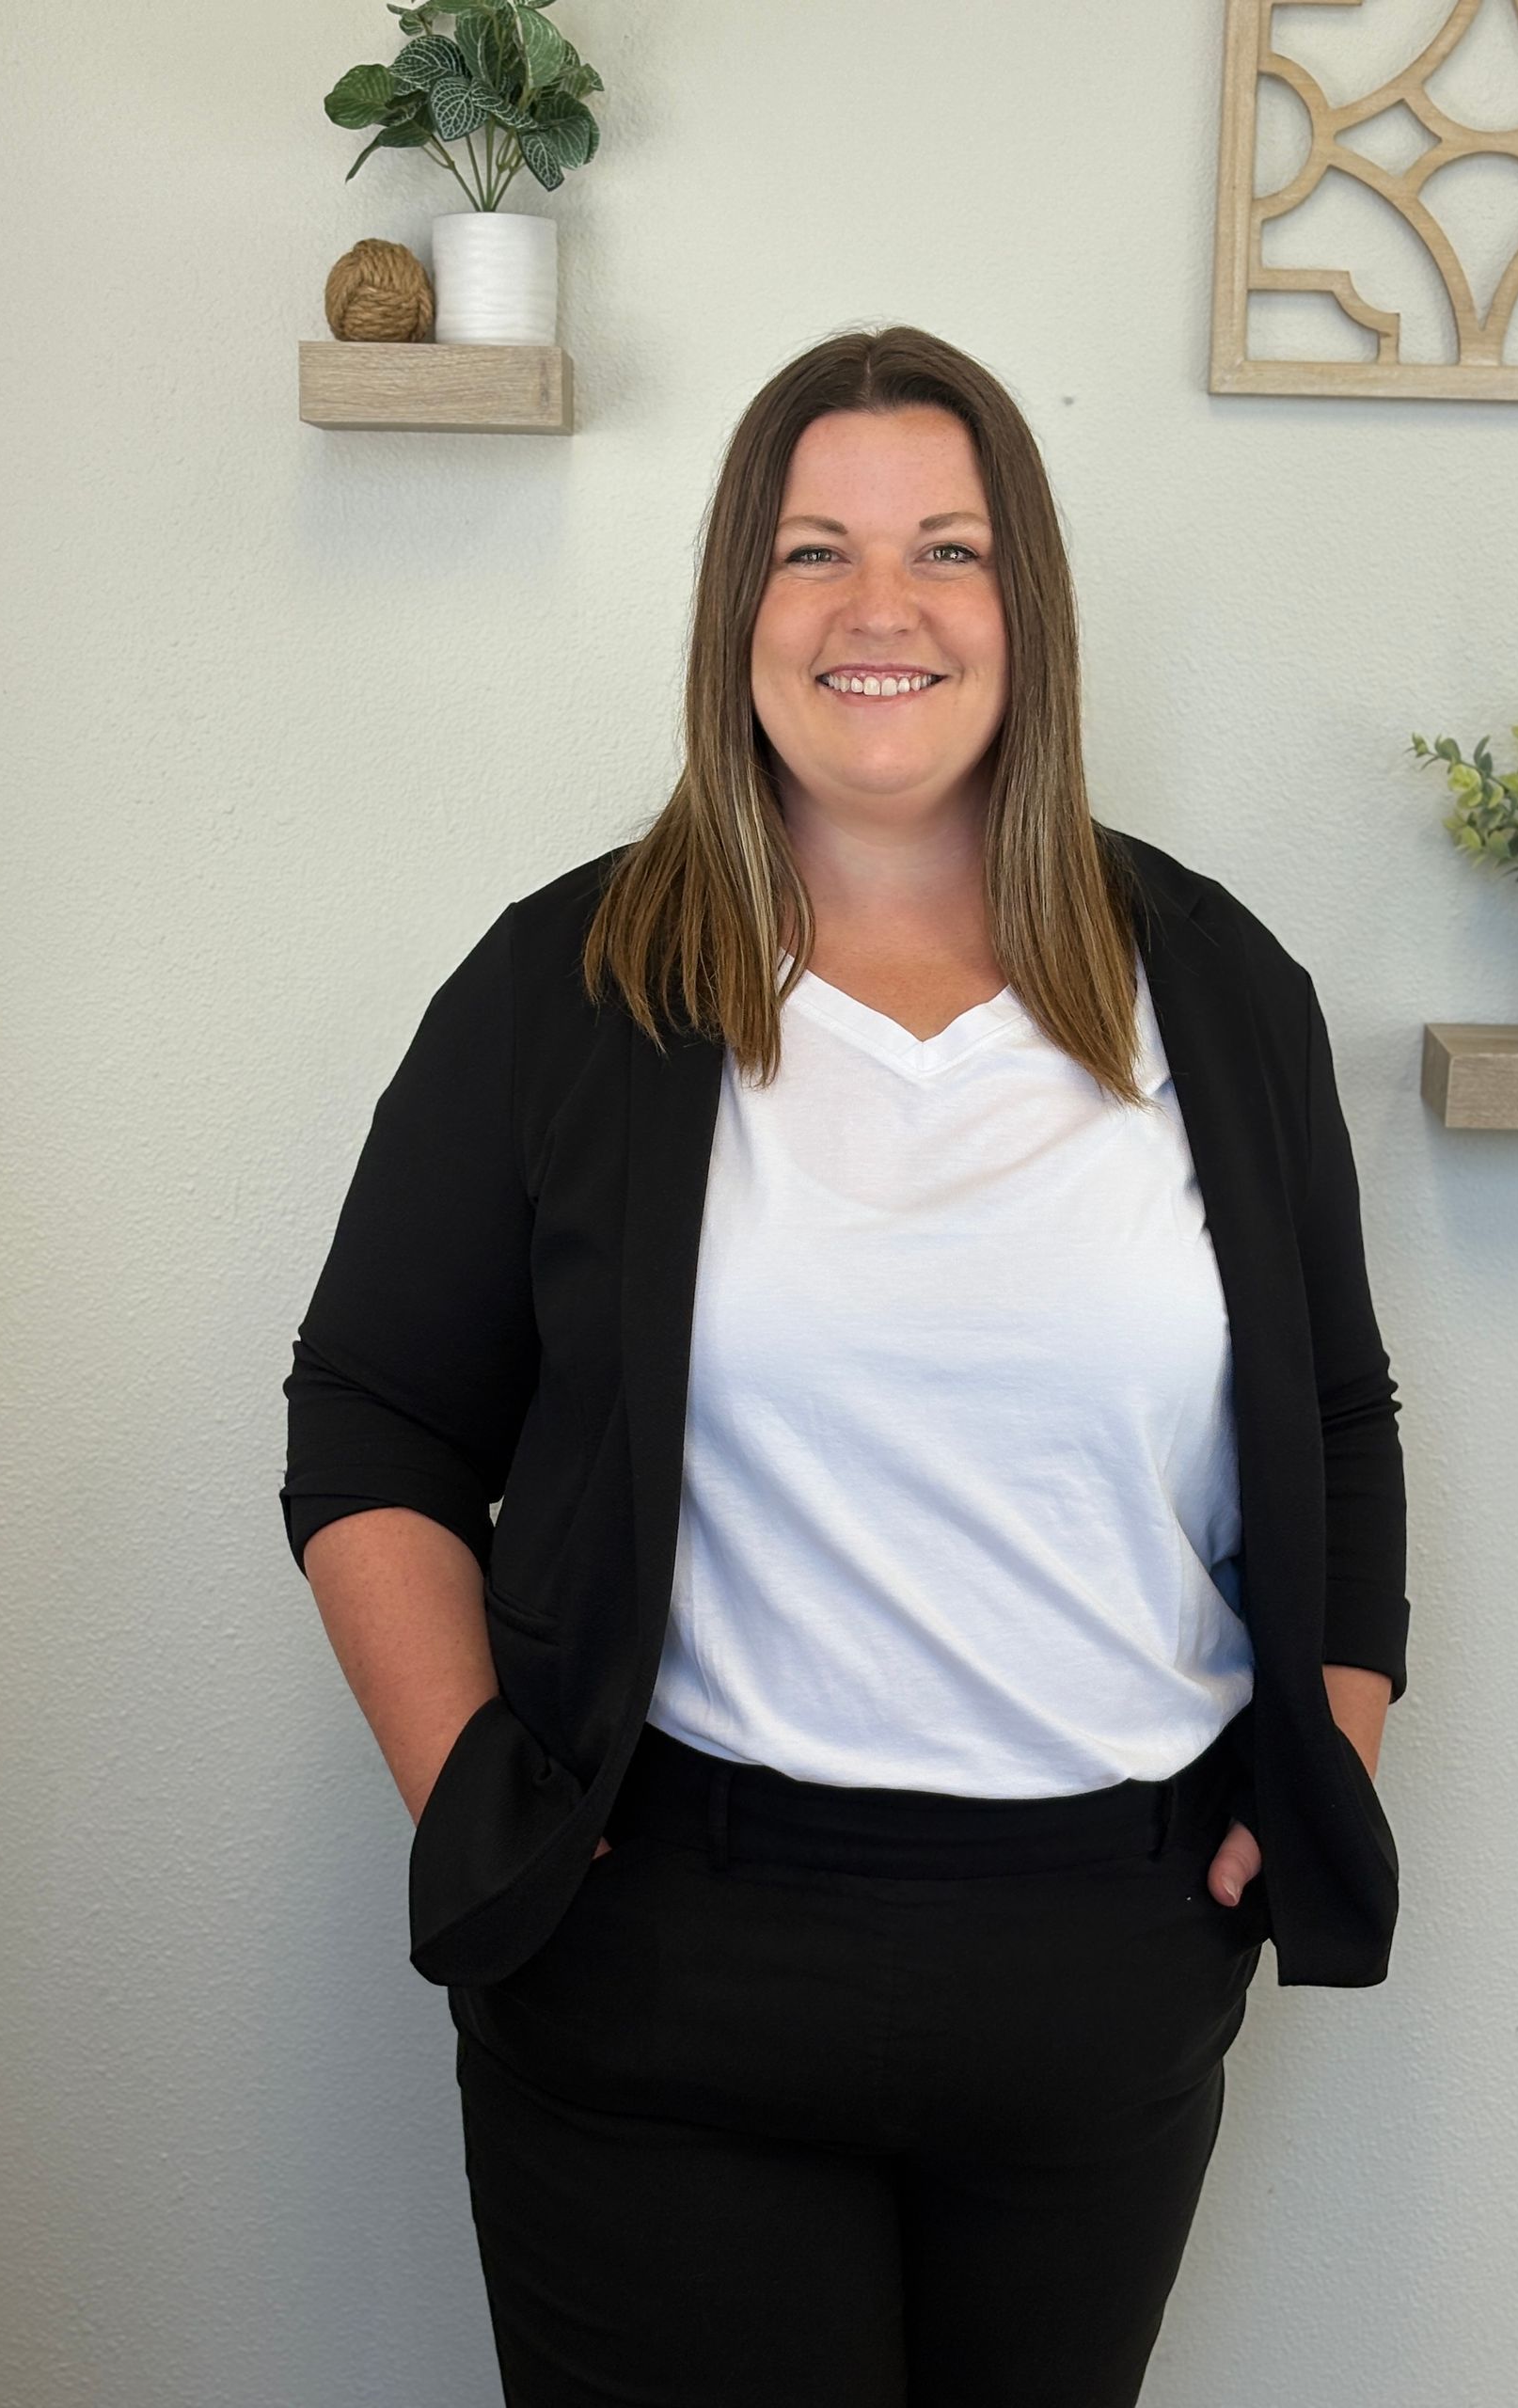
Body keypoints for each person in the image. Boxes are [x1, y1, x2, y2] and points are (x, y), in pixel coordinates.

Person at [279, 323, 1408, 2408]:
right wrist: (475, 1789)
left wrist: (1312, 1757)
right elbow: (376, 1410)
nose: (879, 608)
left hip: (1102, 1966)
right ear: (740, 611)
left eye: (946, 550)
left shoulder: (1217, 988)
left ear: (1025, 611)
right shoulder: (575, 978)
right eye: (815, 550)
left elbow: (1335, 1407)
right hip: (665, 1968)